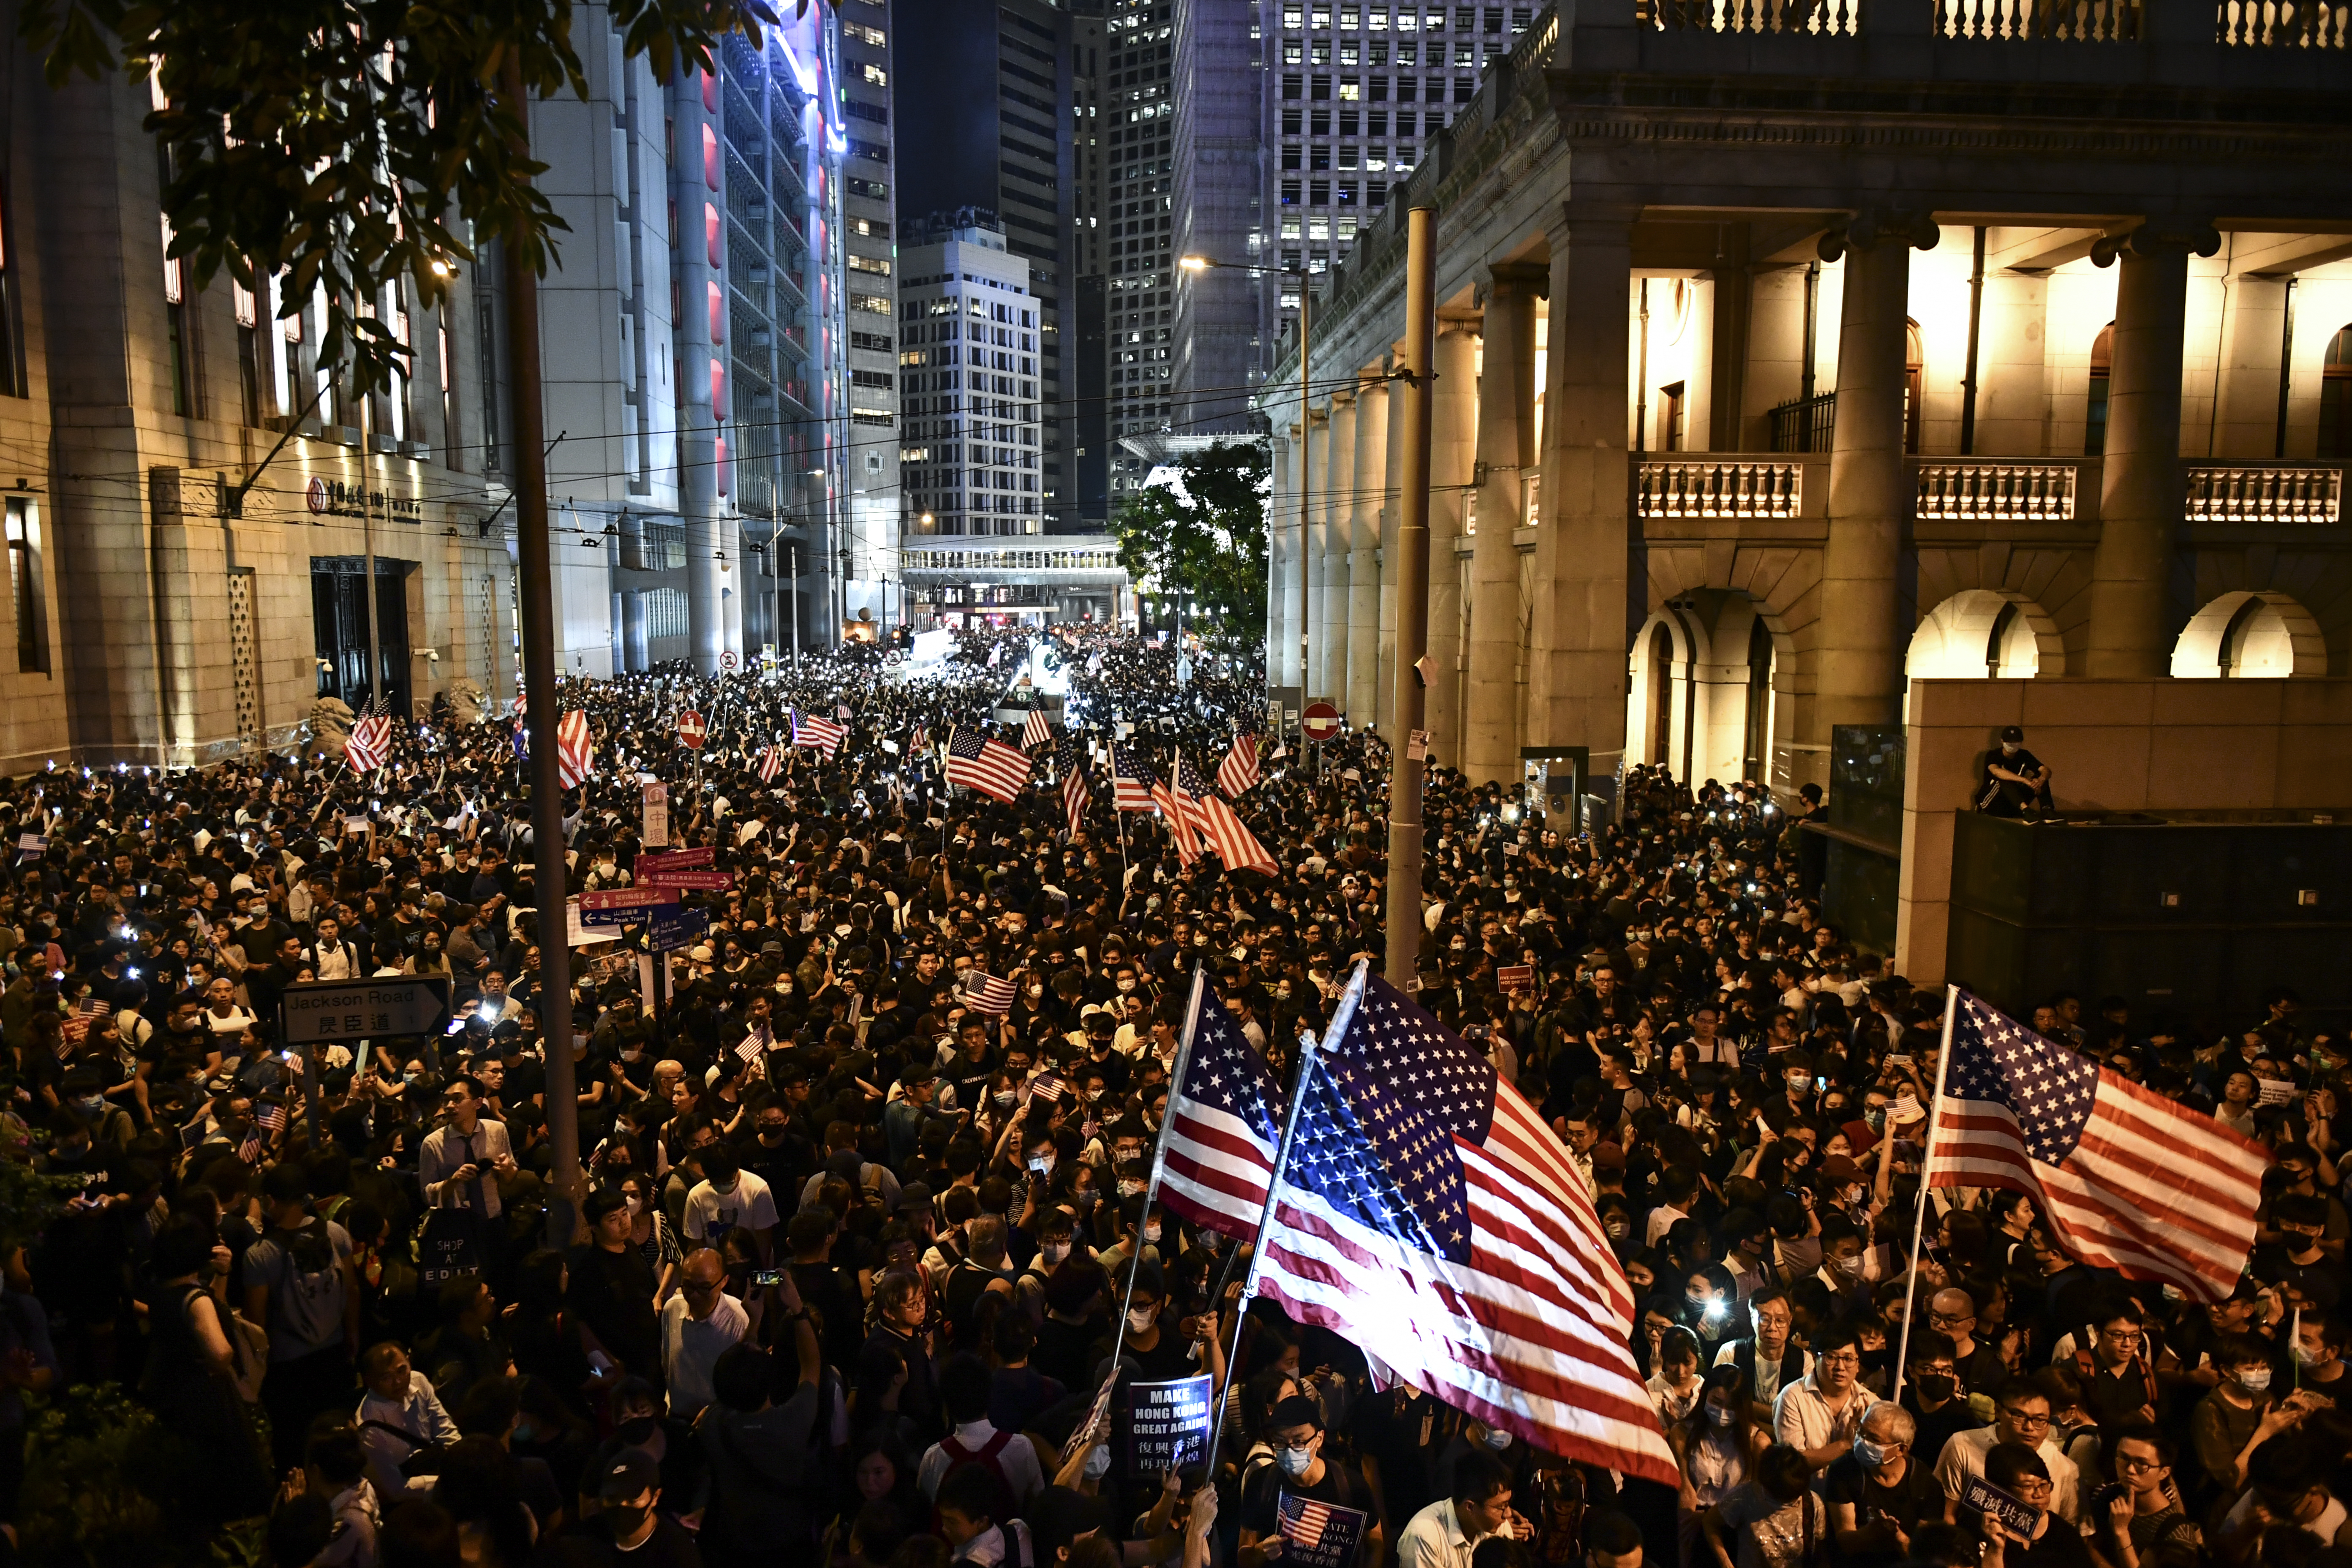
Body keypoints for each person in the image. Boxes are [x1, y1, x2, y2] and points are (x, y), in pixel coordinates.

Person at [1237, 1394, 1380, 1568]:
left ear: (1319, 1438)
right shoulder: (1262, 1482)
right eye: (1281, 1442)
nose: (1290, 1450)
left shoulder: (1351, 1486)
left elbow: (1376, 1544)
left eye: (1298, 1441)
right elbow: (1243, 1557)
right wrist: (1260, 1552)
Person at [1935, 1380, 2082, 1526]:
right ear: (1998, 1411)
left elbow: (2073, 1530)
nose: (2029, 1427)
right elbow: (1946, 1512)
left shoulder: (2066, 1470)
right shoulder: (1963, 1445)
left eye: (2040, 1420)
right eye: (2019, 1416)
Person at [1823, 1402, 1937, 1568]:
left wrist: (1898, 1537)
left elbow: (1922, 1557)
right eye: (1861, 1433)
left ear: (1900, 1449)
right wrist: (1870, 1533)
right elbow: (1845, 1542)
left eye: (1873, 1439)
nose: (1862, 1442)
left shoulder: (1926, 1485)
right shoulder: (1843, 1470)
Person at [563, 1448, 702, 1567]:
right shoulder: (586, 1537)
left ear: (655, 1497)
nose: (622, 1506)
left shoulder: (679, 1553)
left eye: (632, 1499)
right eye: (613, 1498)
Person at [1964, 1443, 2093, 1568]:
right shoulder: (1973, 1529)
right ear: (2000, 1490)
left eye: (2044, 1485)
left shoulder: (2065, 1535)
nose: (2040, 1495)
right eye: (2028, 1487)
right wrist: (1995, 1550)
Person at [658, 1247, 749, 1421]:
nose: (695, 1295)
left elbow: (742, 1382)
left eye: (704, 1288)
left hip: (719, 1421)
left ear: (724, 1282)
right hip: (678, 1418)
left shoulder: (738, 1317)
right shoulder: (672, 1308)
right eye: (689, 1286)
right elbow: (666, 1361)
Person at [1396, 1449, 1523, 1568]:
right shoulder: (1424, 1537)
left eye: (1508, 1505)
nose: (1507, 1514)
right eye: (1501, 1507)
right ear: (1470, 1507)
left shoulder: (1500, 1528)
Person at [1699, 1443, 1819, 1568]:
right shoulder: (1745, 1496)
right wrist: (1726, 1563)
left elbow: (1821, 1554)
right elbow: (1710, 1523)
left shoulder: (1812, 1504)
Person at [1976, 725, 2053, 818]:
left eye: (2016, 742)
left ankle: (2048, 810)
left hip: (2013, 803)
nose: (2013, 744)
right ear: (2002, 741)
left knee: (2040, 779)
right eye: (2010, 742)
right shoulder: (1993, 755)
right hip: (1993, 804)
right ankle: (2025, 809)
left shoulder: (2025, 755)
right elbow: (1996, 771)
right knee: (2004, 780)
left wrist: (2041, 780)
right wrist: (2025, 781)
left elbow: (2045, 770)